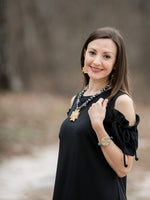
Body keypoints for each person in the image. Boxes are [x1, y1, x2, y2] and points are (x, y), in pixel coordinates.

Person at [52, 27, 140, 200]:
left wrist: (99, 127)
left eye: (106, 56)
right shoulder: (76, 99)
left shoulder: (121, 102)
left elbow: (124, 168)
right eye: (92, 53)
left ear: (116, 63)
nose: (97, 61)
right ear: (84, 54)